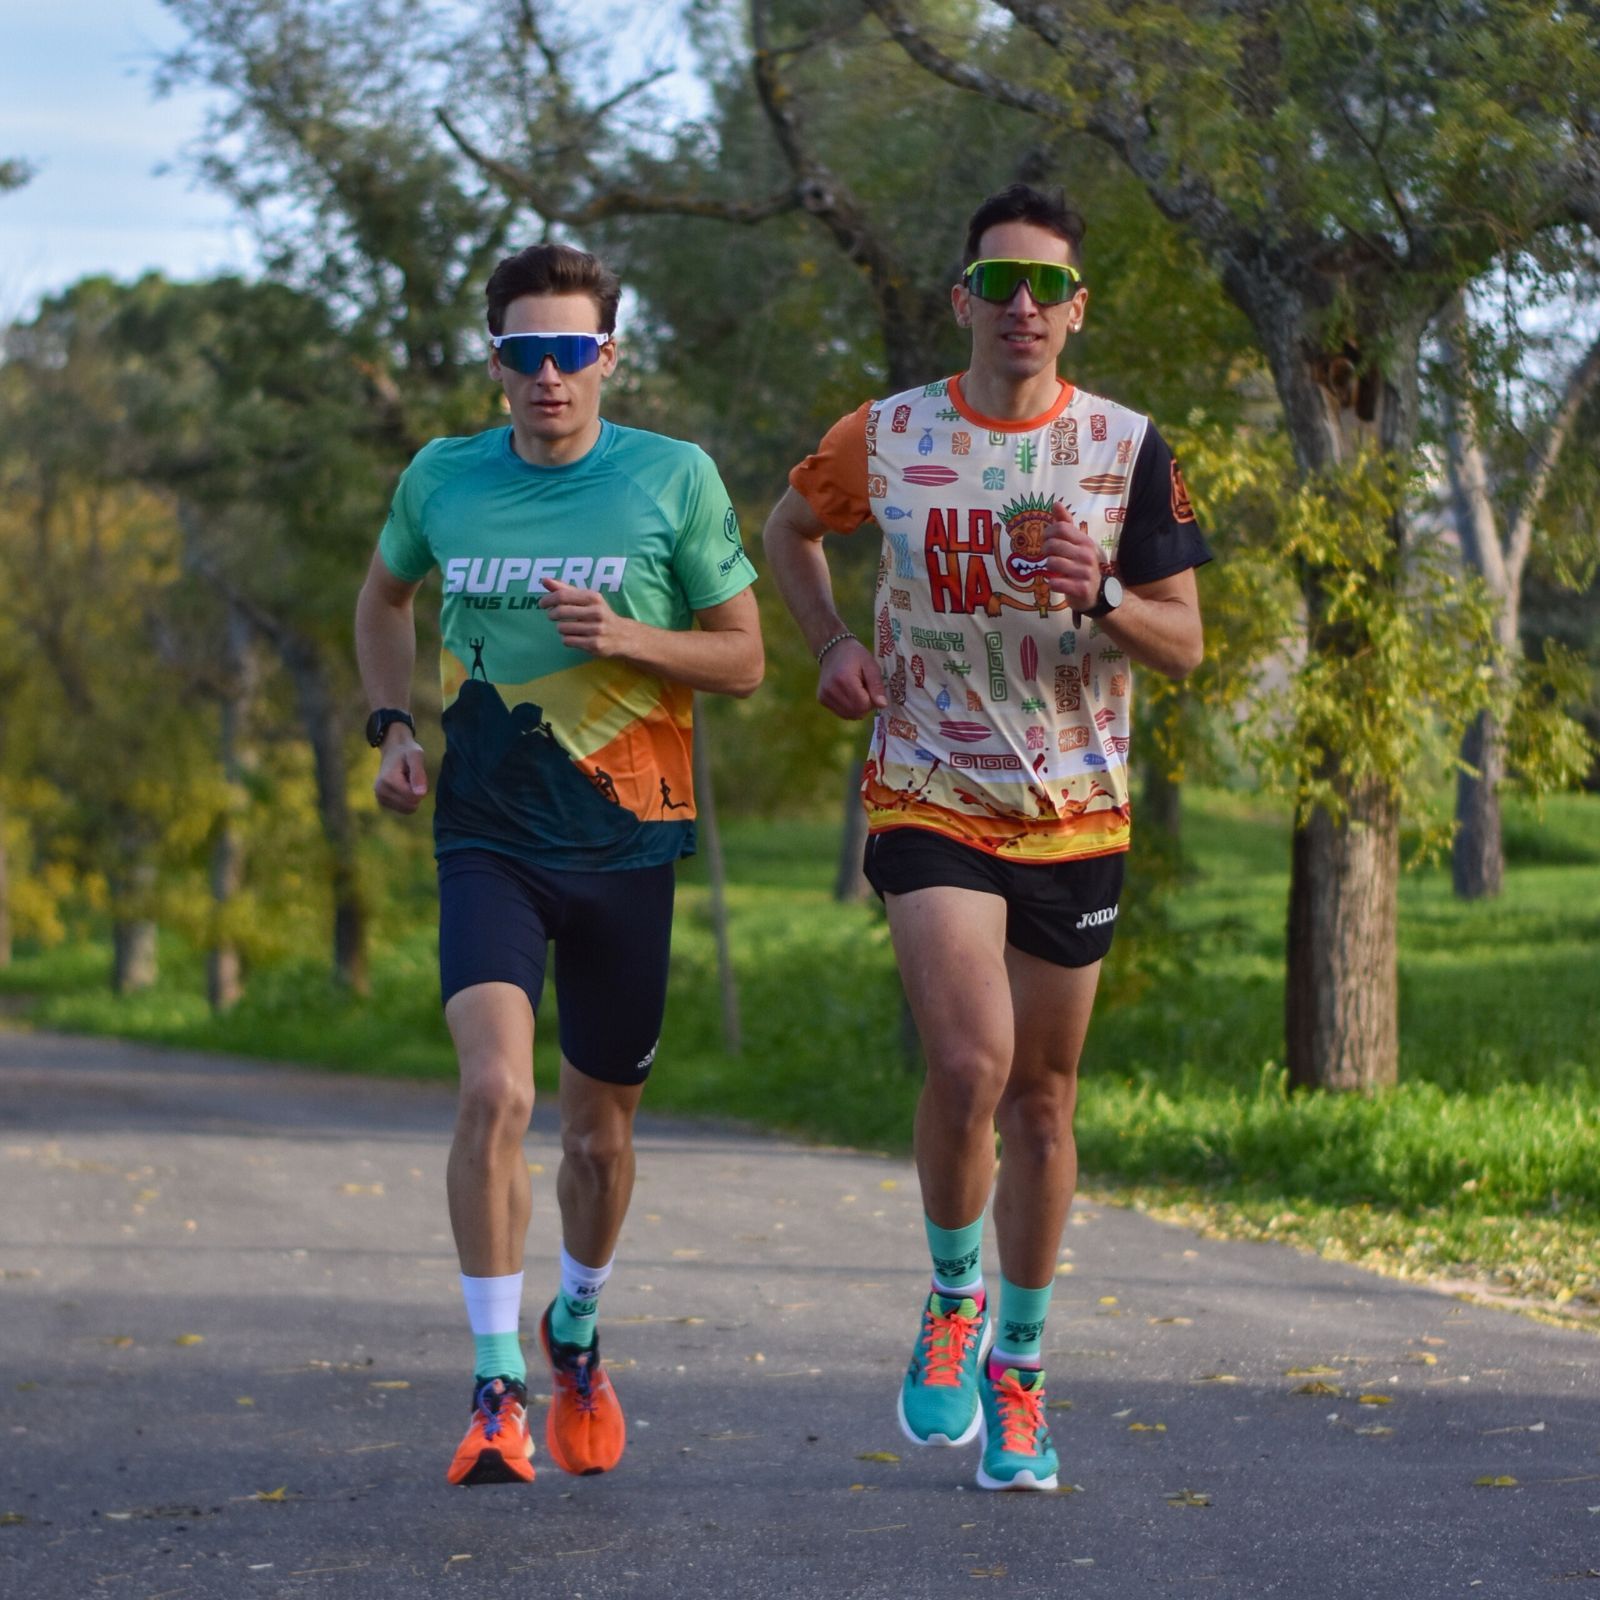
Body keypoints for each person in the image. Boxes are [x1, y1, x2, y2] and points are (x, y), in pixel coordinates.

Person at [762, 185, 1209, 1491]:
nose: (1022, 306)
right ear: (961, 298)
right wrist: (835, 641)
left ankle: (1021, 1367)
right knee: (970, 1062)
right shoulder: (888, 436)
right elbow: (791, 532)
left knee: (1045, 1098)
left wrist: (1105, 592)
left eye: (1046, 288)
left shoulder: (1126, 450)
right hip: (927, 791)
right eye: (997, 282)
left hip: (1074, 807)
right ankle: (951, 1299)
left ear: (1076, 310)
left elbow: (1184, 645)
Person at [356, 242, 762, 1487]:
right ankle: (493, 1389)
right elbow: (382, 602)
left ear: (608, 360)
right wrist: (393, 727)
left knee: (597, 1143)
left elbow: (743, 659)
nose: (549, 377)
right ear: (496, 366)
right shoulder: (442, 478)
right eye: (525, 354)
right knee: (495, 1094)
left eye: (571, 353)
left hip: (628, 840)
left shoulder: (672, 478)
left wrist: (632, 635)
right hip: (487, 834)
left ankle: (574, 1324)